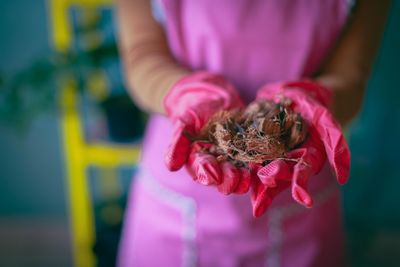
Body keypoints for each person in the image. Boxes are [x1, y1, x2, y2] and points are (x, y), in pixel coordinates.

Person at [115, 0, 390, 266]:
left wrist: (316, 101)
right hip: (182, 178)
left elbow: (352, 75)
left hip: (299, 180)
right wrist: (188, 96)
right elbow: (142, 53)